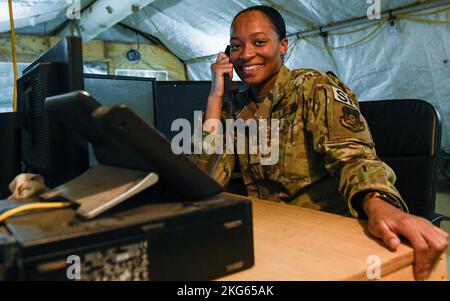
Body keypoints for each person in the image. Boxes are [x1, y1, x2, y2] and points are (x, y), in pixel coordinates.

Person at [195, 5, 448, 280]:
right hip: (272, 233)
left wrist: (378, 203)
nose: (245, 54)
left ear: (282, 46)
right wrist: (215, 96)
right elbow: (207, 178)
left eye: (259, 42)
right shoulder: (236, 107)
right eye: (235, 46)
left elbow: (352, 157)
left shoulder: (314, 89)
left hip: (323, 234)